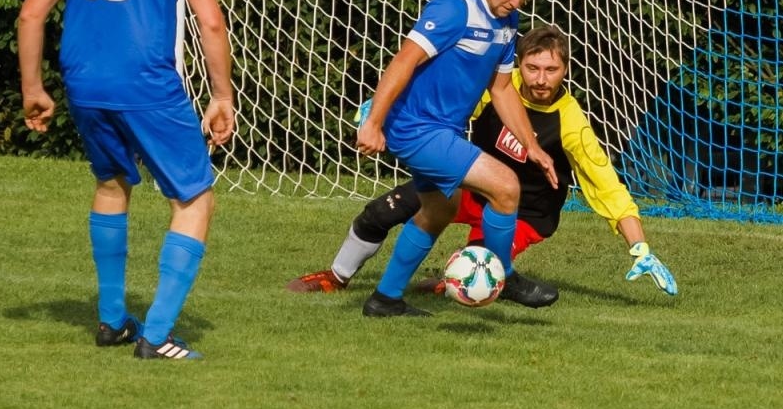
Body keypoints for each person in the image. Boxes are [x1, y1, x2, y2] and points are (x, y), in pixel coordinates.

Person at [17, 0, 236, 361]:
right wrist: (222, 94)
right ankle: (157, 334)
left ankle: (112, 319)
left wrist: (33, 88)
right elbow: (211, 21)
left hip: (84, 84)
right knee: (195, 198)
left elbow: (31, 16)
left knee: (112, 183)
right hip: (146, 85)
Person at [288, 24, 679, 300]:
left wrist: (640, 248)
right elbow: (441, 106)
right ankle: (335, 277)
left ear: (566, 70)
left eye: (552, 70)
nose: (541, 79)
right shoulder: (497, 91)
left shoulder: (571, 123)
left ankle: (439, 287)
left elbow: (605, 186)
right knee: (382, 211)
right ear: (519, 64)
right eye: (532, 67)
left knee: (474, 273)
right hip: (474, 184)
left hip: (526, 213)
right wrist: (383, 111)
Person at [351, 0, 557, 318]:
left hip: (443, 131)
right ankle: (505, 275)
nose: (516, 1)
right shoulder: (454, 9)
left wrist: (532, 145)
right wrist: (374, 122)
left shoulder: (507, 19)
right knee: (506, 185)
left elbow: (501, 88)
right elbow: (403, 62)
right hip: (415, 128)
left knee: (438, 210)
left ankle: (385, 299)